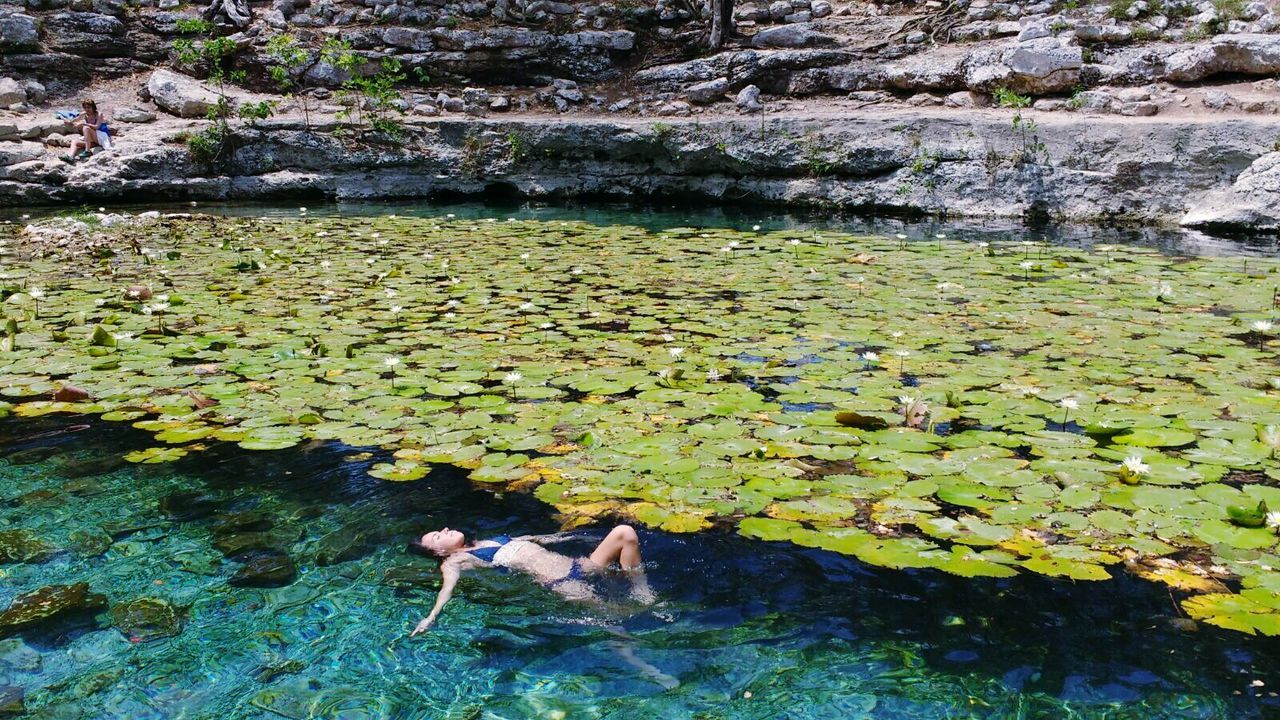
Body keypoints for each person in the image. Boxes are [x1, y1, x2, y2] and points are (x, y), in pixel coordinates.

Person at [409, 524, 657, 636]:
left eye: (439, 530)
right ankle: (641, 644)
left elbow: (539, 539)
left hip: (577, 565)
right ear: (438, 552)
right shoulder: (453, 562)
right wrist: (430, 617)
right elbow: (446, 590)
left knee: (625, 532)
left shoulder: (486, 540)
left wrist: (566, 534)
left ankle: (641, 589)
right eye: (437, 537)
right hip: (561, 583)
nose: (444, 531)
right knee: (616, 618)